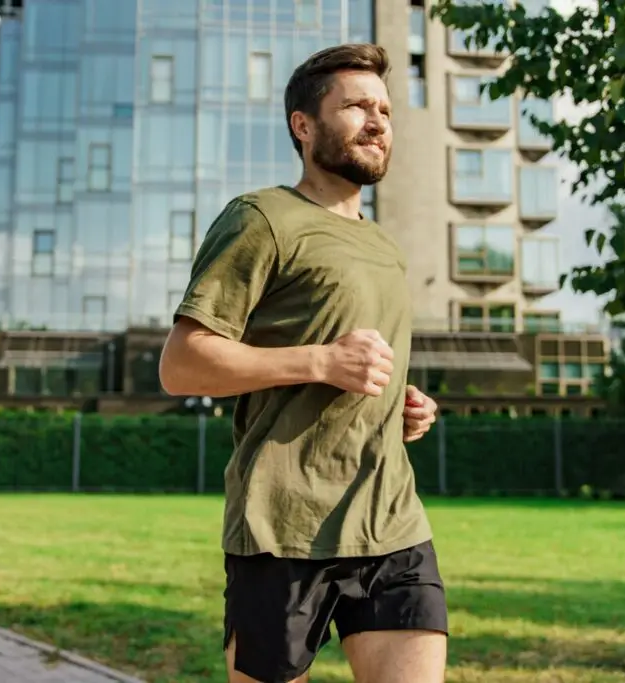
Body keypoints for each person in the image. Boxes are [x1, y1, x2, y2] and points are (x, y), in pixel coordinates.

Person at [158, 43, 448, 683]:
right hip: (283, 527)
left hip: (390, 519)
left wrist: (399, 401)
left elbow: (354, 367)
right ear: (304, 125)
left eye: (384, 110)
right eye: (355, 107)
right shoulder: (263, 218)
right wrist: (321, 361)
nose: (377, 122)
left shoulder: (384, 246)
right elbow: (182, 365)